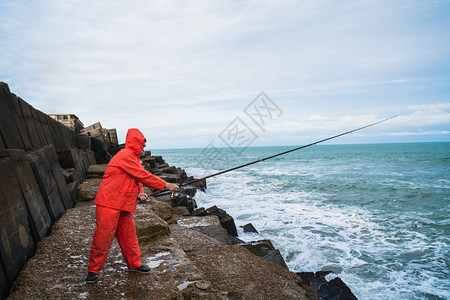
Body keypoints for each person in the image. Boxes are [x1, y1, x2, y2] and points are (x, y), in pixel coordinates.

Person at [85, 128, 178, 284]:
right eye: (142, 144)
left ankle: (135, 264)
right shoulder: (124, 155)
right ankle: (93, 271)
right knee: (103, 238)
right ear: (134, 142)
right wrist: (166, 185)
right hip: (109, 202)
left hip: (124, 204)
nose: (143, 147)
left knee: (129, 237)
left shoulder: (133, 158)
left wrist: (140, 192)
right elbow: (143, 175)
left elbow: (137, 178)